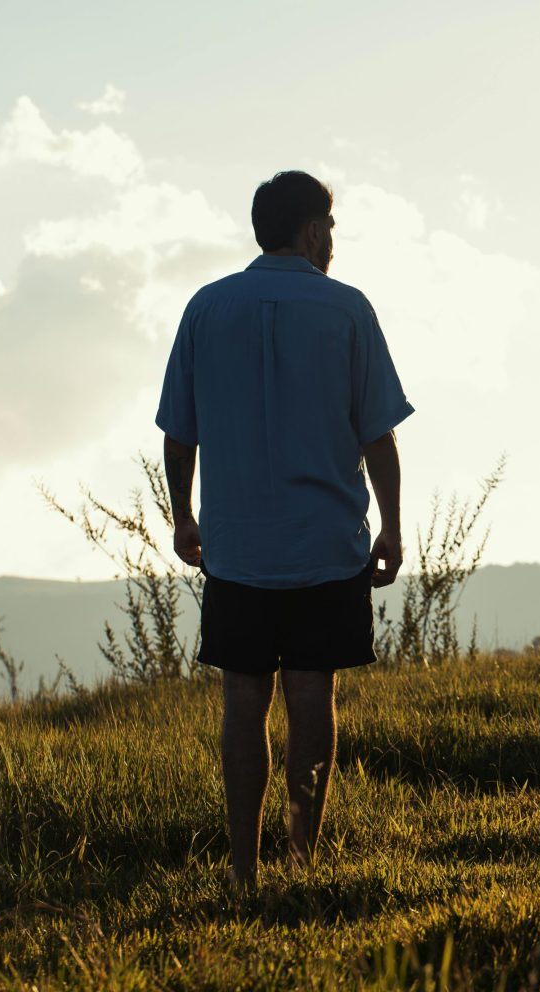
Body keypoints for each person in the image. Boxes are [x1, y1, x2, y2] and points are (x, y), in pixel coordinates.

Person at [156, 170, 414, 888]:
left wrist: (184, 516)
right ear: (311, 231)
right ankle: (301, 861)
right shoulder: (346, 310)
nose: (331, 241)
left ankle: (243, 870)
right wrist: (390, 526)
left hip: (237, 548)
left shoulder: (206, 309)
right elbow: (378, 437)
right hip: (326, 545)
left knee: (245, 702)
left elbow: (180, 436)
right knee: (311, 697)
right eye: (328, 228)